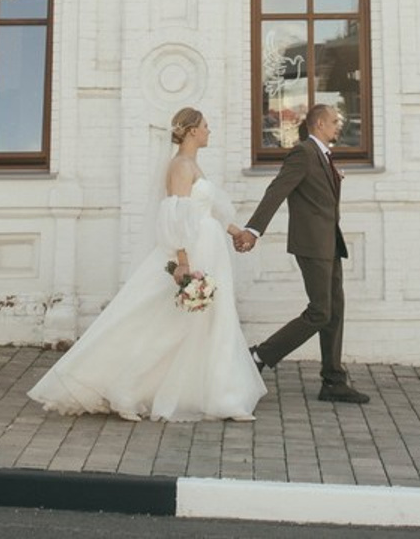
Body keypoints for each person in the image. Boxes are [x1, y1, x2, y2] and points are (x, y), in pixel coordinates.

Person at [27, 107, 265, 421]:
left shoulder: (194, 164)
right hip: (194, 253)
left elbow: (206, 211)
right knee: (168, 325)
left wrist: (238, 233)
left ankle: (222, 397)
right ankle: (124, 389)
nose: (210, 131)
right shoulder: (180, 166)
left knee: (211, 323)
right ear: (192, 130)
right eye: (206, 126)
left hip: (210, 249)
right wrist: (183, 263)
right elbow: (174, 215)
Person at [238, 103, 369, 404]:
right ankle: (259, 356)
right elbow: (277, 190)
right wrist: (254, 230)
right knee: (320, 312)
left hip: (329, 243)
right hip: (311, 245)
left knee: (335, 310)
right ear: (320, 124)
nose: (339, 126)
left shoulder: (322, 156)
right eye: (335, 121)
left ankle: (334, 380)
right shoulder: (303, 153)